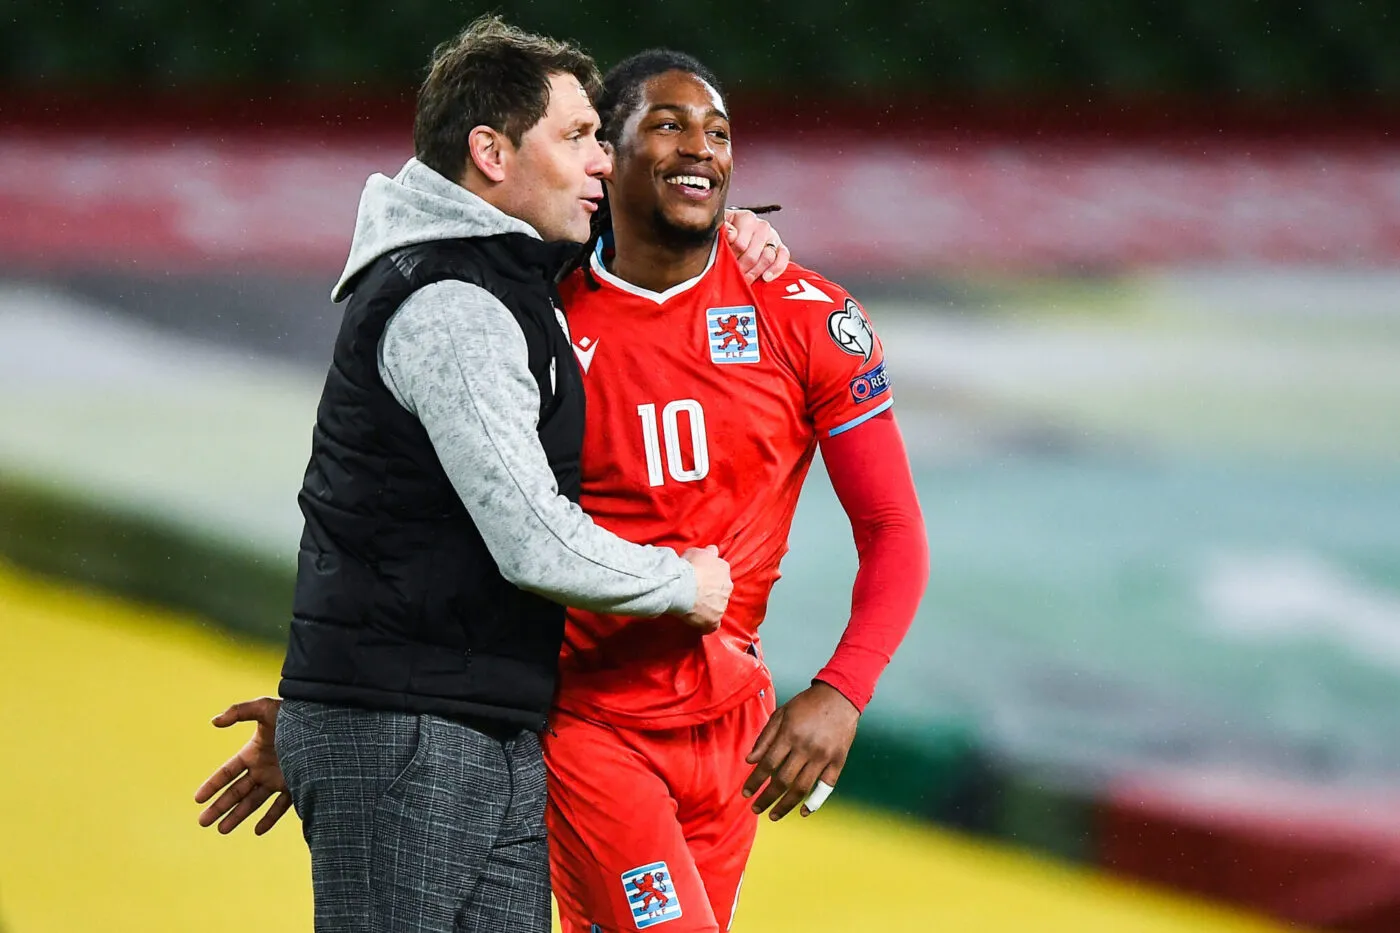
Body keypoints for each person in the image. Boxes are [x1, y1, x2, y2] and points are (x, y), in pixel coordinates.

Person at [198, 46, 922, 933]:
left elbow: (892, 524)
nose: (701, 147)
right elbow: (422, 508)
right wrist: (344, 711)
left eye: (719, 132)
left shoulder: (802, 312)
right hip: (585, 720)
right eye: (665, 124)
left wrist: (844, 689)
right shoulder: (521, 302)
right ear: (605, 159)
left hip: (730, 726)